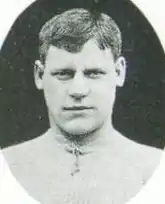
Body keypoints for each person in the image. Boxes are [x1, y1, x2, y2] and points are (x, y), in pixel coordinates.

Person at [2, 8, 162, 204]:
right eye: (64, 73)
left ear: (119, 72)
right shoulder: (9, 165)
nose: (78, 90)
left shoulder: (153, 168)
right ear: (39, 75)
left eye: (94, 73)